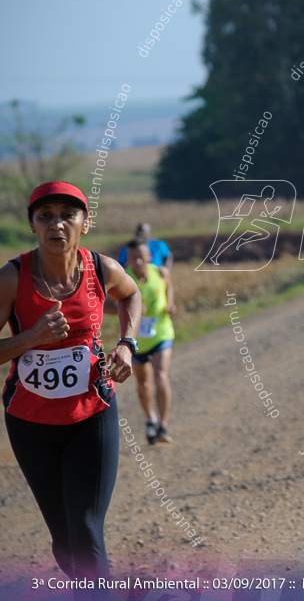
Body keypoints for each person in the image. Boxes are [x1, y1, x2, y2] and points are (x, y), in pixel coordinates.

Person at [1, 181, 142, 587]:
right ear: (32, 225)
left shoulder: (101, 269)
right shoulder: (12, 278)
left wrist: (127, 346)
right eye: (45, 216)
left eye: (68, 214)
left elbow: (131, 295)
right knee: (64, 542)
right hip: (31, 422)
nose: (56, 224)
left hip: (91, 414)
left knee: (84, 528)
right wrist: (30, 338)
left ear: (85, 222)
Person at [121, 237, 176, 444]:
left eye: (141, 258)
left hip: (162, 331)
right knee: (143, 384)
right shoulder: (123, 279)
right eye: (133, 258)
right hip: (136, 338)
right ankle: (150, 419)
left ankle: (163, 425)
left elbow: (168, 287)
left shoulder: (160, 272)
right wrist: (131, 309)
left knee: (161, 376)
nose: (137, 262)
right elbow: (107, 306)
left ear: (149, 257)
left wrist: (170, 304)